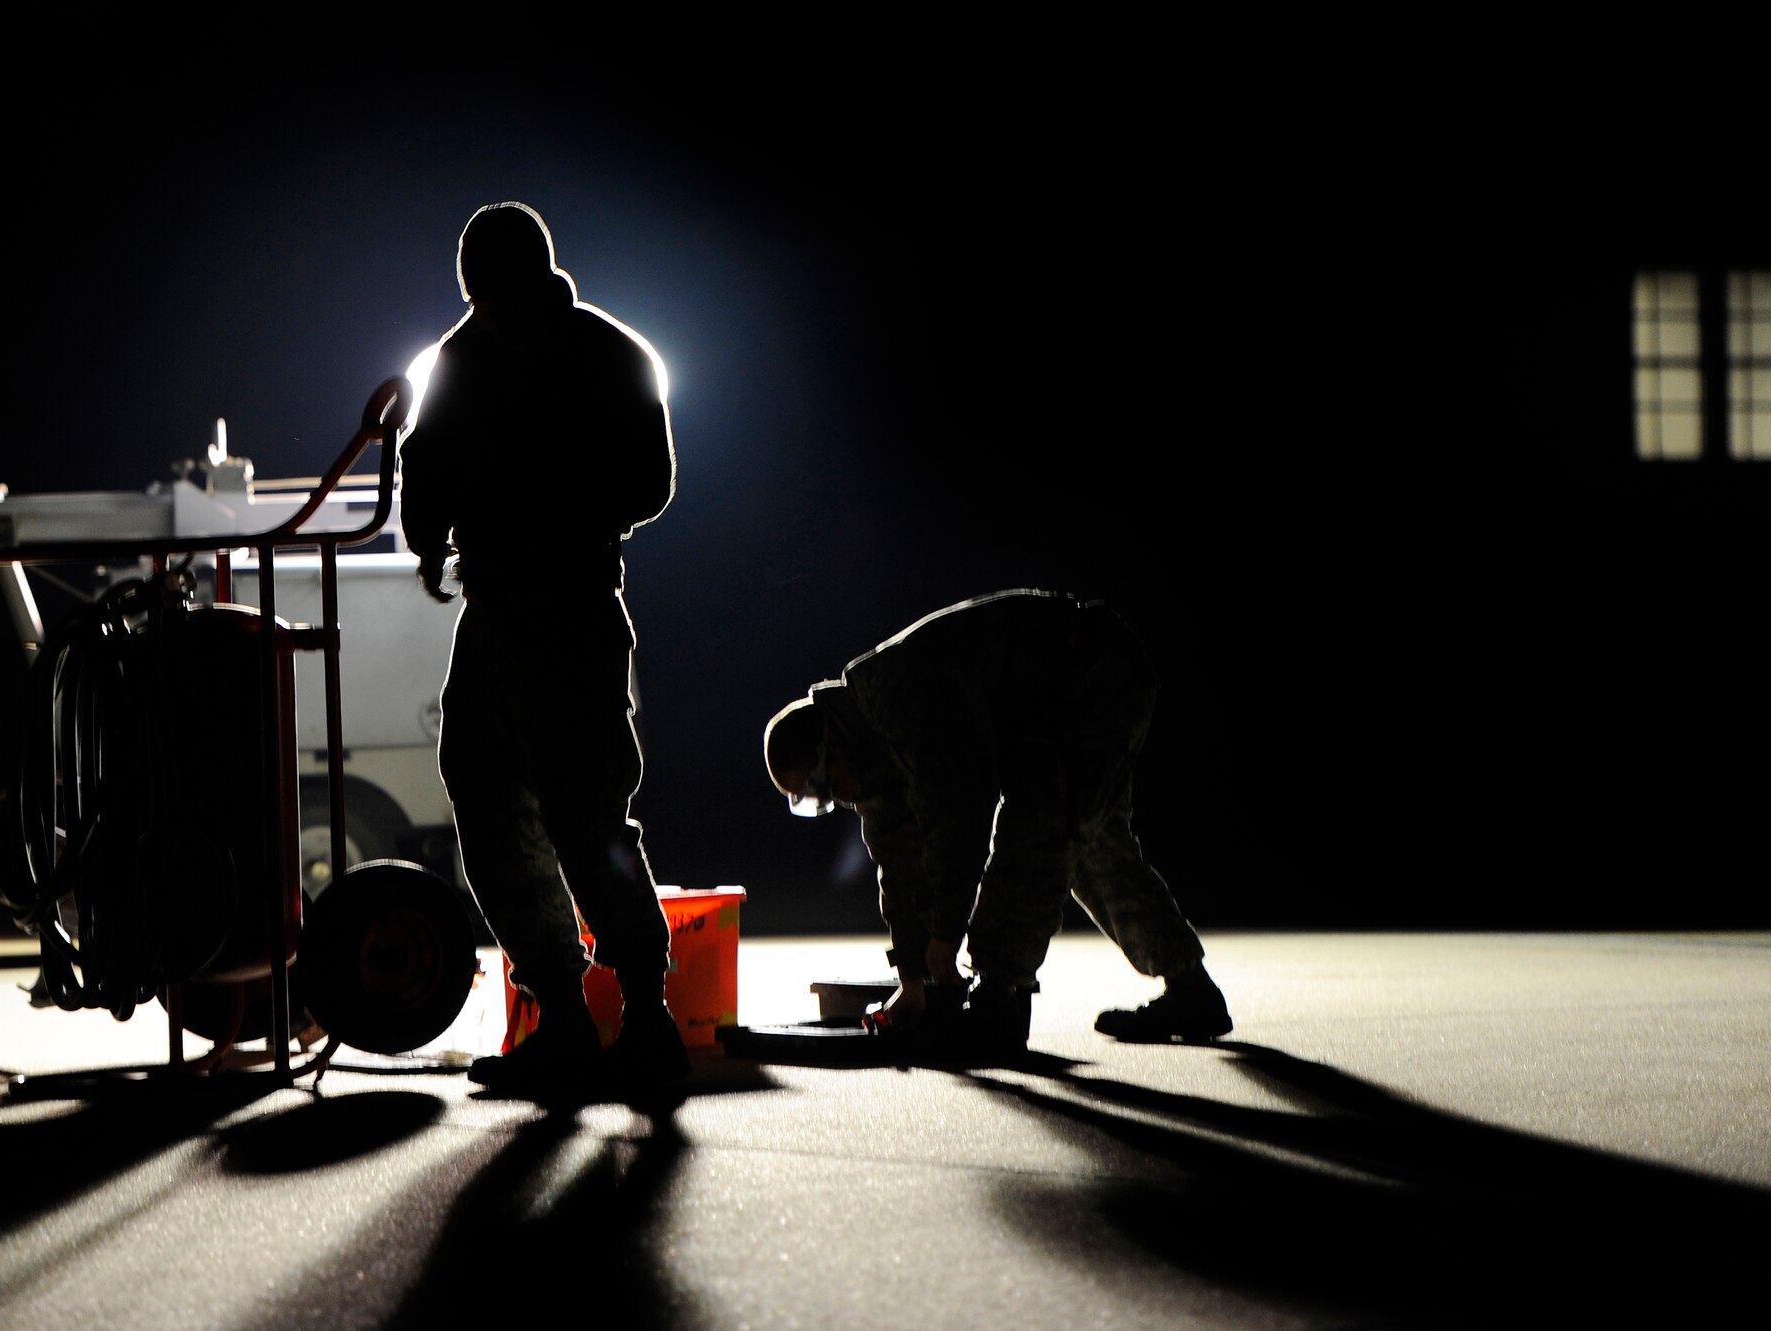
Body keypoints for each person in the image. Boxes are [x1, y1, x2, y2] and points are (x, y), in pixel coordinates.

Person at [398, 201, 684, 1095]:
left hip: (509, 613)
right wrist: (575, 521)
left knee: (500, 798)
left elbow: (423, 476)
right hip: (582, 608)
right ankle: (642, 1018)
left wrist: (439, 543)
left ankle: (568, 1015)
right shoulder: (614, 349)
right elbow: (654, 485)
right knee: (590, 811)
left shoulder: (464, 356)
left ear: (475, 279)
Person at [762, 589, 1231, 1058]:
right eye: (818, 803)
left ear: (831, 747)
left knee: (1041, 828)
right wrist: (913, 979)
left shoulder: (902, 695)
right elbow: (901, 868)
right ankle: (1192, 992)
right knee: (1093, 846)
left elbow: (959, 818)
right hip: (1043, 725)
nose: (837, 801)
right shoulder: (867, 756)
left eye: (824, 789)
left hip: (1091, 675)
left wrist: (947, 937)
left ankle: (998, 998)